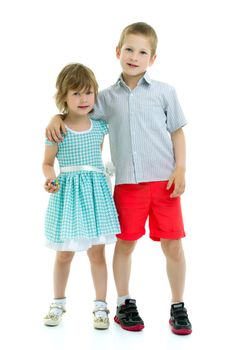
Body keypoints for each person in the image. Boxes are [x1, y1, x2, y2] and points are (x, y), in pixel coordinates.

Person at [46, 22, 192, 335]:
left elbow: (177, 132)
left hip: (165, 184)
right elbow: (77, 111)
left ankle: (178, 305)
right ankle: (125, 302)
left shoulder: (166, 92)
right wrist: (56, 117)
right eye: (129, 49)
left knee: (174, 246)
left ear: (152, 59)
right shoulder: (105, 98)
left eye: (142, 52)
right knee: (124, 245)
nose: (134, 56)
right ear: (118, 52)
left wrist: (181, 169)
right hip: (127, 185)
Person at [42, 63, 120, 329]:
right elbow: (47, 162)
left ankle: (101, 306)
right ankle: (58, 303)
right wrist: (49, 177)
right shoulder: (57, 128)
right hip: (69, 198)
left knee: (97, 254)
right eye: (76, 93)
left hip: (96, 197)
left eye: (88, 92)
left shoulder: (100, 127)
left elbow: (97, 159)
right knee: (64, 254)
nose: (83, 99)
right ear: (63, 96)